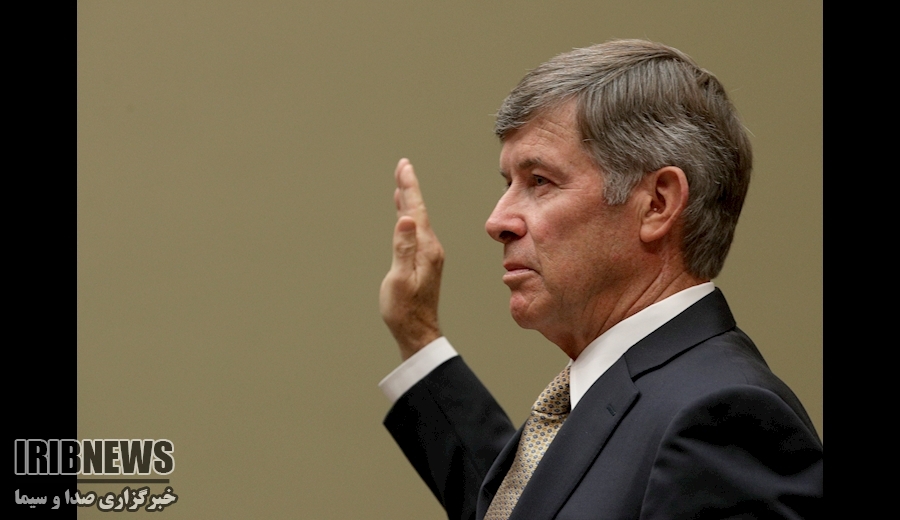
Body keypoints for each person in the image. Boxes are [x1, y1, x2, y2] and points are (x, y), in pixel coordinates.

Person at [377, 39, 822, 520]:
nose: (497, 221)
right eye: (508, 184)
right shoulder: (651, 396)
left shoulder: (724, 420)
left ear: (657, 204)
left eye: (539, 181)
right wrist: (417, 335)